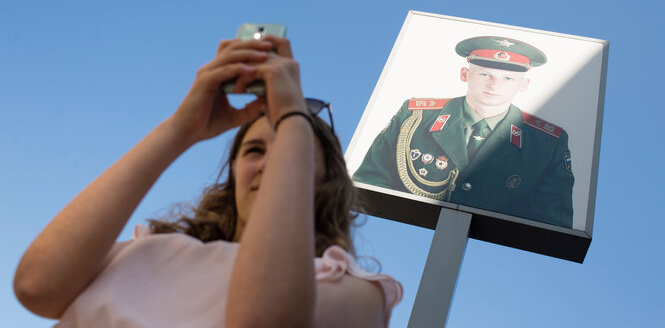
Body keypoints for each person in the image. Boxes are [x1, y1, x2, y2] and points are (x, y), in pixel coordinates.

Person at [14, 36, 402, 327]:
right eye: (252, 151)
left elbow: (261, 320)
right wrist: (181, 129)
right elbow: (35, 286)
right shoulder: (145, 249)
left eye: (285, 149)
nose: (267, 164)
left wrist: (293, 120)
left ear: (323, 176)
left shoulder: (352, 287)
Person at [353, 36, 574, 228]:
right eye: (485, 75)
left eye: (508, 78)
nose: (494, 86)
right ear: (464, 74)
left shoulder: (547, 142)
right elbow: (368, 184)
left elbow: (550, 222)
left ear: (523, 84)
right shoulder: (415, 116)